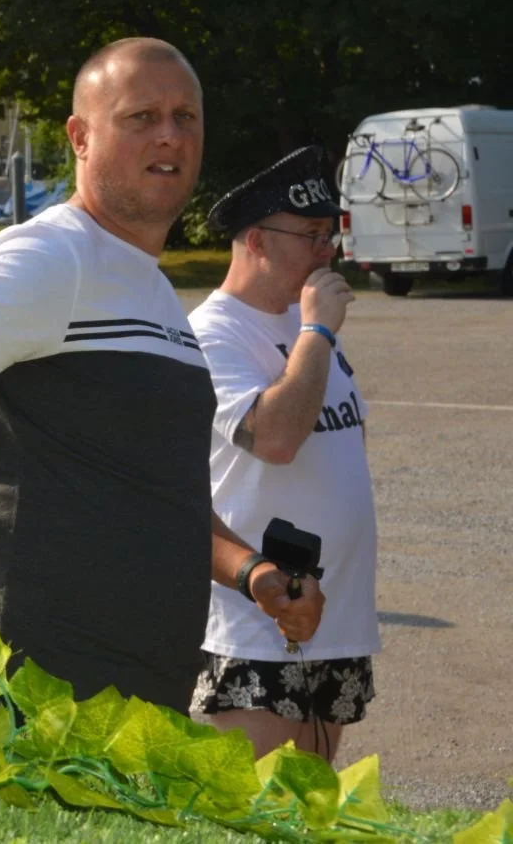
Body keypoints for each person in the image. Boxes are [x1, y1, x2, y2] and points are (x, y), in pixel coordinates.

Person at [0, 39, 322, 710]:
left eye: (186, 117)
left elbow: (154, 492)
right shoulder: (57, 254)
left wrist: (253, 572)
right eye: (141, 116)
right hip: (39, 704)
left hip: (134, 701)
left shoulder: (152, 295)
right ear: (80, 136)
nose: (170, 136)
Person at [188, 147, 377, 758]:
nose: (328, 252)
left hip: (334, 620)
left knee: (313, 810)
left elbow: (346, 441)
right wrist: (317, 331)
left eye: (331, 235)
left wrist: (312, 333)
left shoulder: (304, 329)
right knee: (258, 813)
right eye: (312, 236)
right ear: (256, 241)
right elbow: (275, 439)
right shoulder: (214, 333)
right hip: (257, 625)